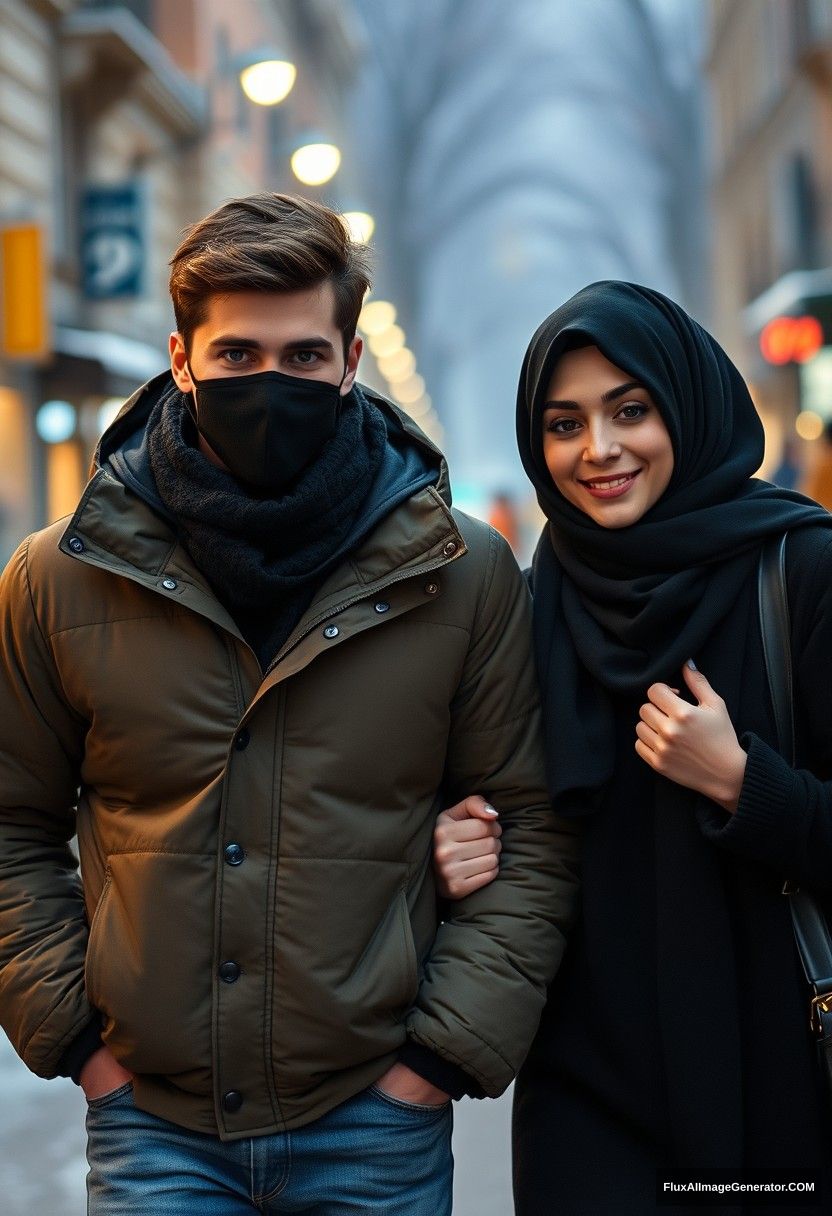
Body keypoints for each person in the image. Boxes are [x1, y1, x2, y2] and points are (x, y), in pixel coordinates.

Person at [0, 192, 580, 1216]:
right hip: (153, 1125)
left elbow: (531, 825)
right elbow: (11, 825)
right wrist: (82, 1047)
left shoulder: (463, 572)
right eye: (237, 356)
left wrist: (436, 1062)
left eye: (304, 357)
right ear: (180, 358)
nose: (272, 383)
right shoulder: (58, 578)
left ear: (350, 362)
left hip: (374, 1125)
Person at [434, 281, 832, 1214]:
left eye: (630, 410)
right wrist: (450, 854)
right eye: (564, 423)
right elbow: (507, 824)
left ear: (686, 408)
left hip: (783, 1092)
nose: (598, 451)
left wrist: (745, 785)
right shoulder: (532, 607)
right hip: (592, 1101)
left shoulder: (802, 571)